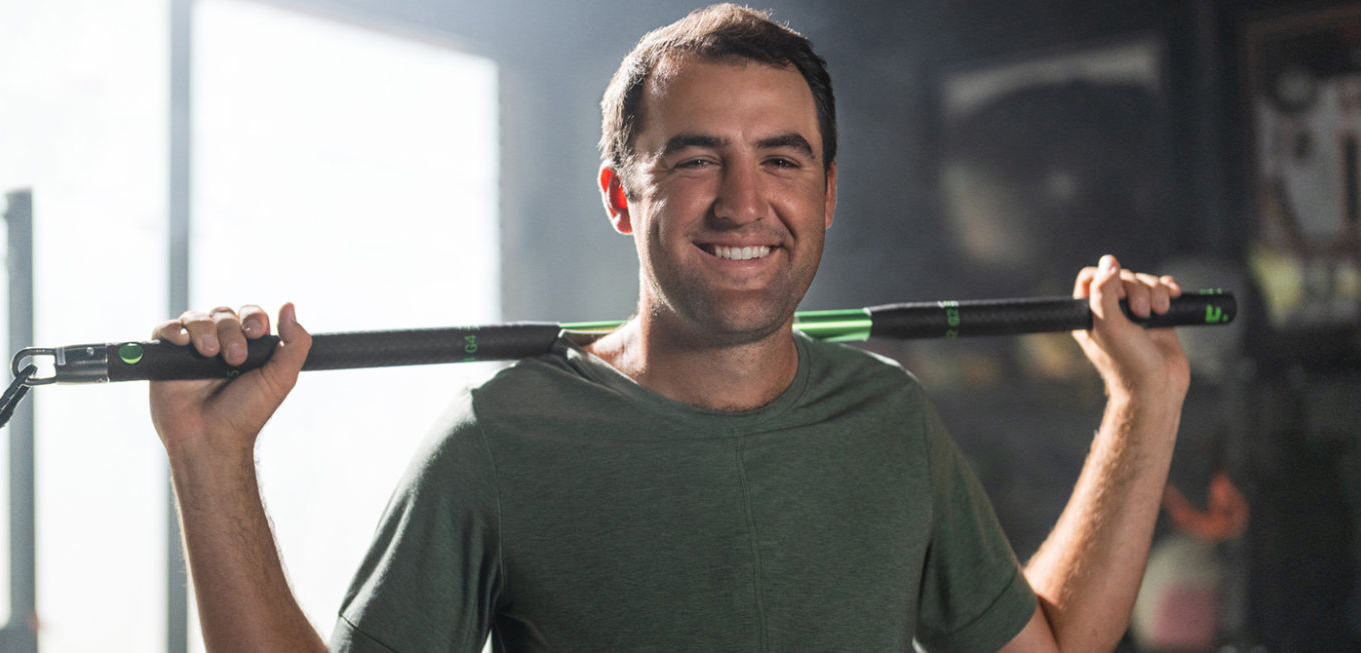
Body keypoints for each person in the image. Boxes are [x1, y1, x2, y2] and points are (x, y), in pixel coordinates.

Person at [148, 5, 1190, 652]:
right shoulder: (497, 437)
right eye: (695, 158)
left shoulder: (889, 417)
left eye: (781, 159)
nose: (745, 202)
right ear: (620, 194)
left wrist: (1144, 401)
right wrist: (209, 455)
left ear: (827, 194)